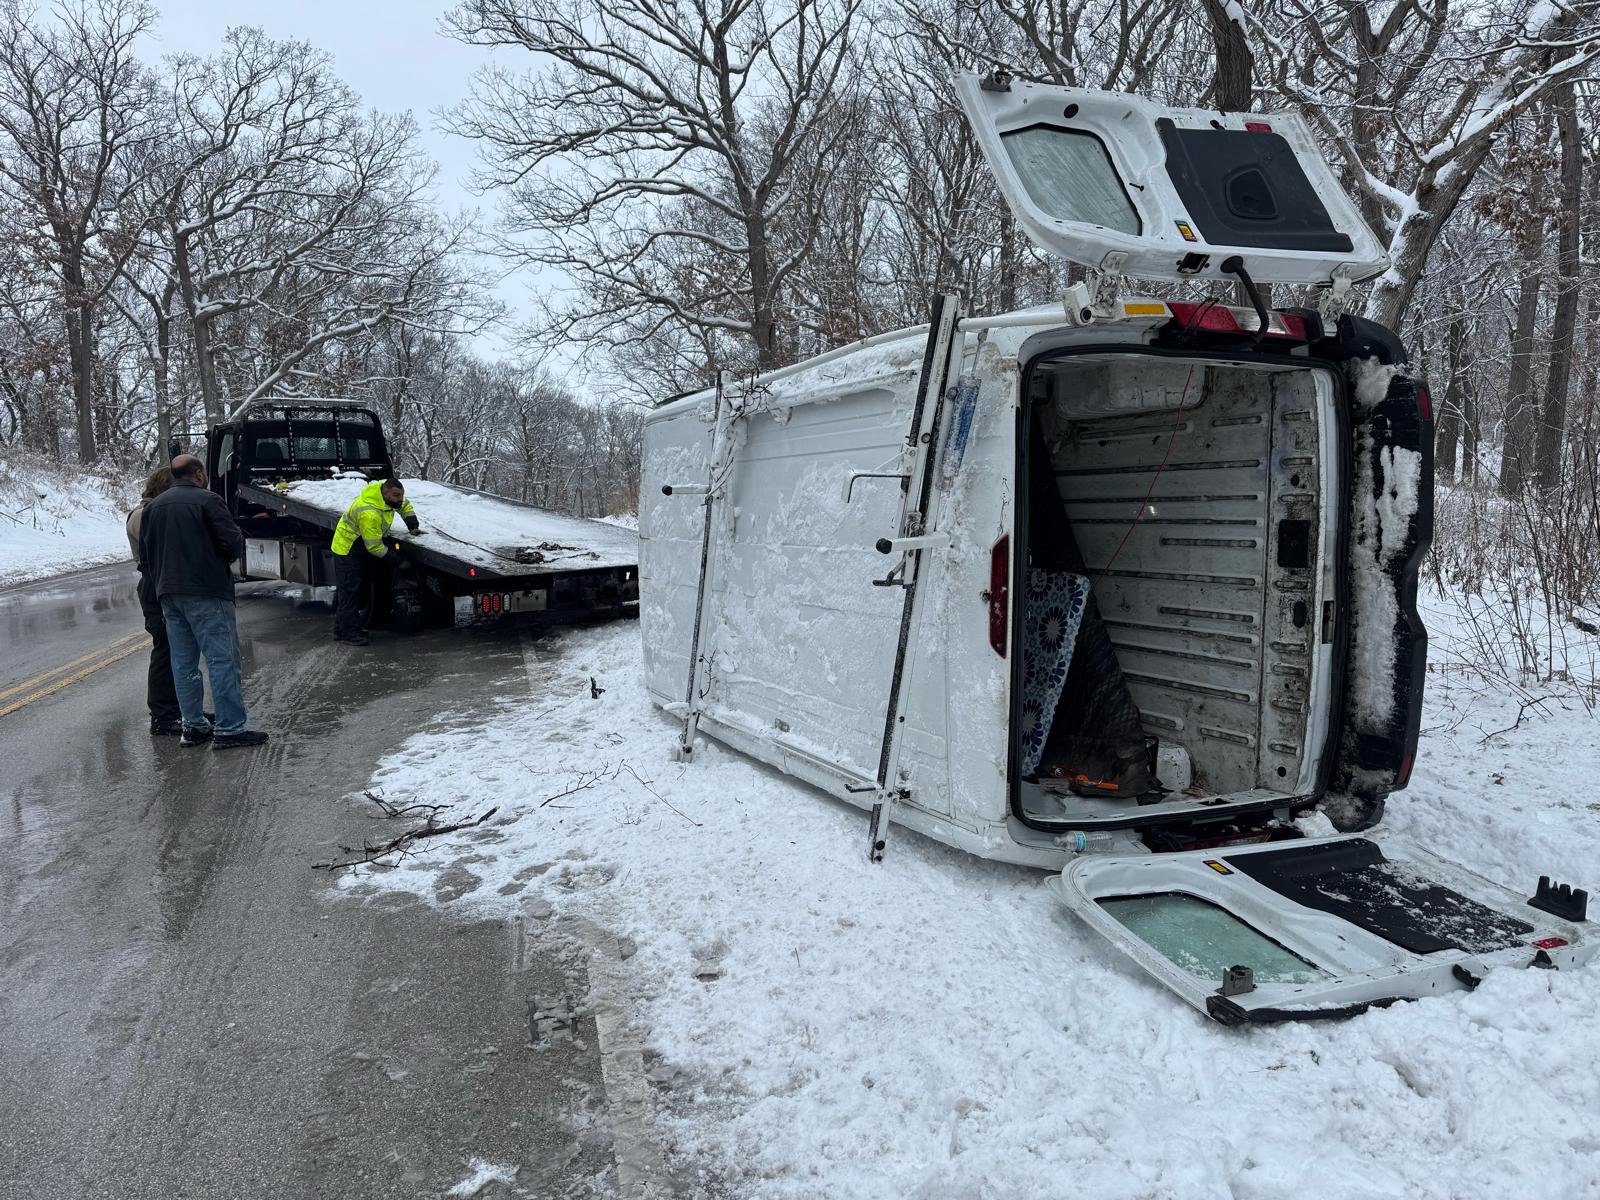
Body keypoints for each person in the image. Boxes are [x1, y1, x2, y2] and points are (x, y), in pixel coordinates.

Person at [138, 454, 268, 750]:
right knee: (222, 661)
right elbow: (233, 543)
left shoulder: (152, 507)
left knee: (183, 663)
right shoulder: (208, 500)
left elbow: (145, 556)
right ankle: (230, 729)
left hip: (168, 594)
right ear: (198, 474)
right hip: (207, 591)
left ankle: (194, 726)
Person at [331, 477, 421, 646]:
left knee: (362, 586)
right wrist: (398, 561)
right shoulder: (369, 512)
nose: (400, 499)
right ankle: (348, 633)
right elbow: (375, 547)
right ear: (386, 494)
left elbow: (405, 505)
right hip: (348, 548)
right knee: (351, 591)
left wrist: (412, 524)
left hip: (361, 547)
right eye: (396, 496)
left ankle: (342, 629)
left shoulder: (389, 496)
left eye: (400, 495)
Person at [126, 466, 182, 735]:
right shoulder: (143, 514)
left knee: (178, 649)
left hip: (163, 583)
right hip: (153, 585)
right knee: (164, 650)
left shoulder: (154, 511)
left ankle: (179, 708)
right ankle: (162, 715)